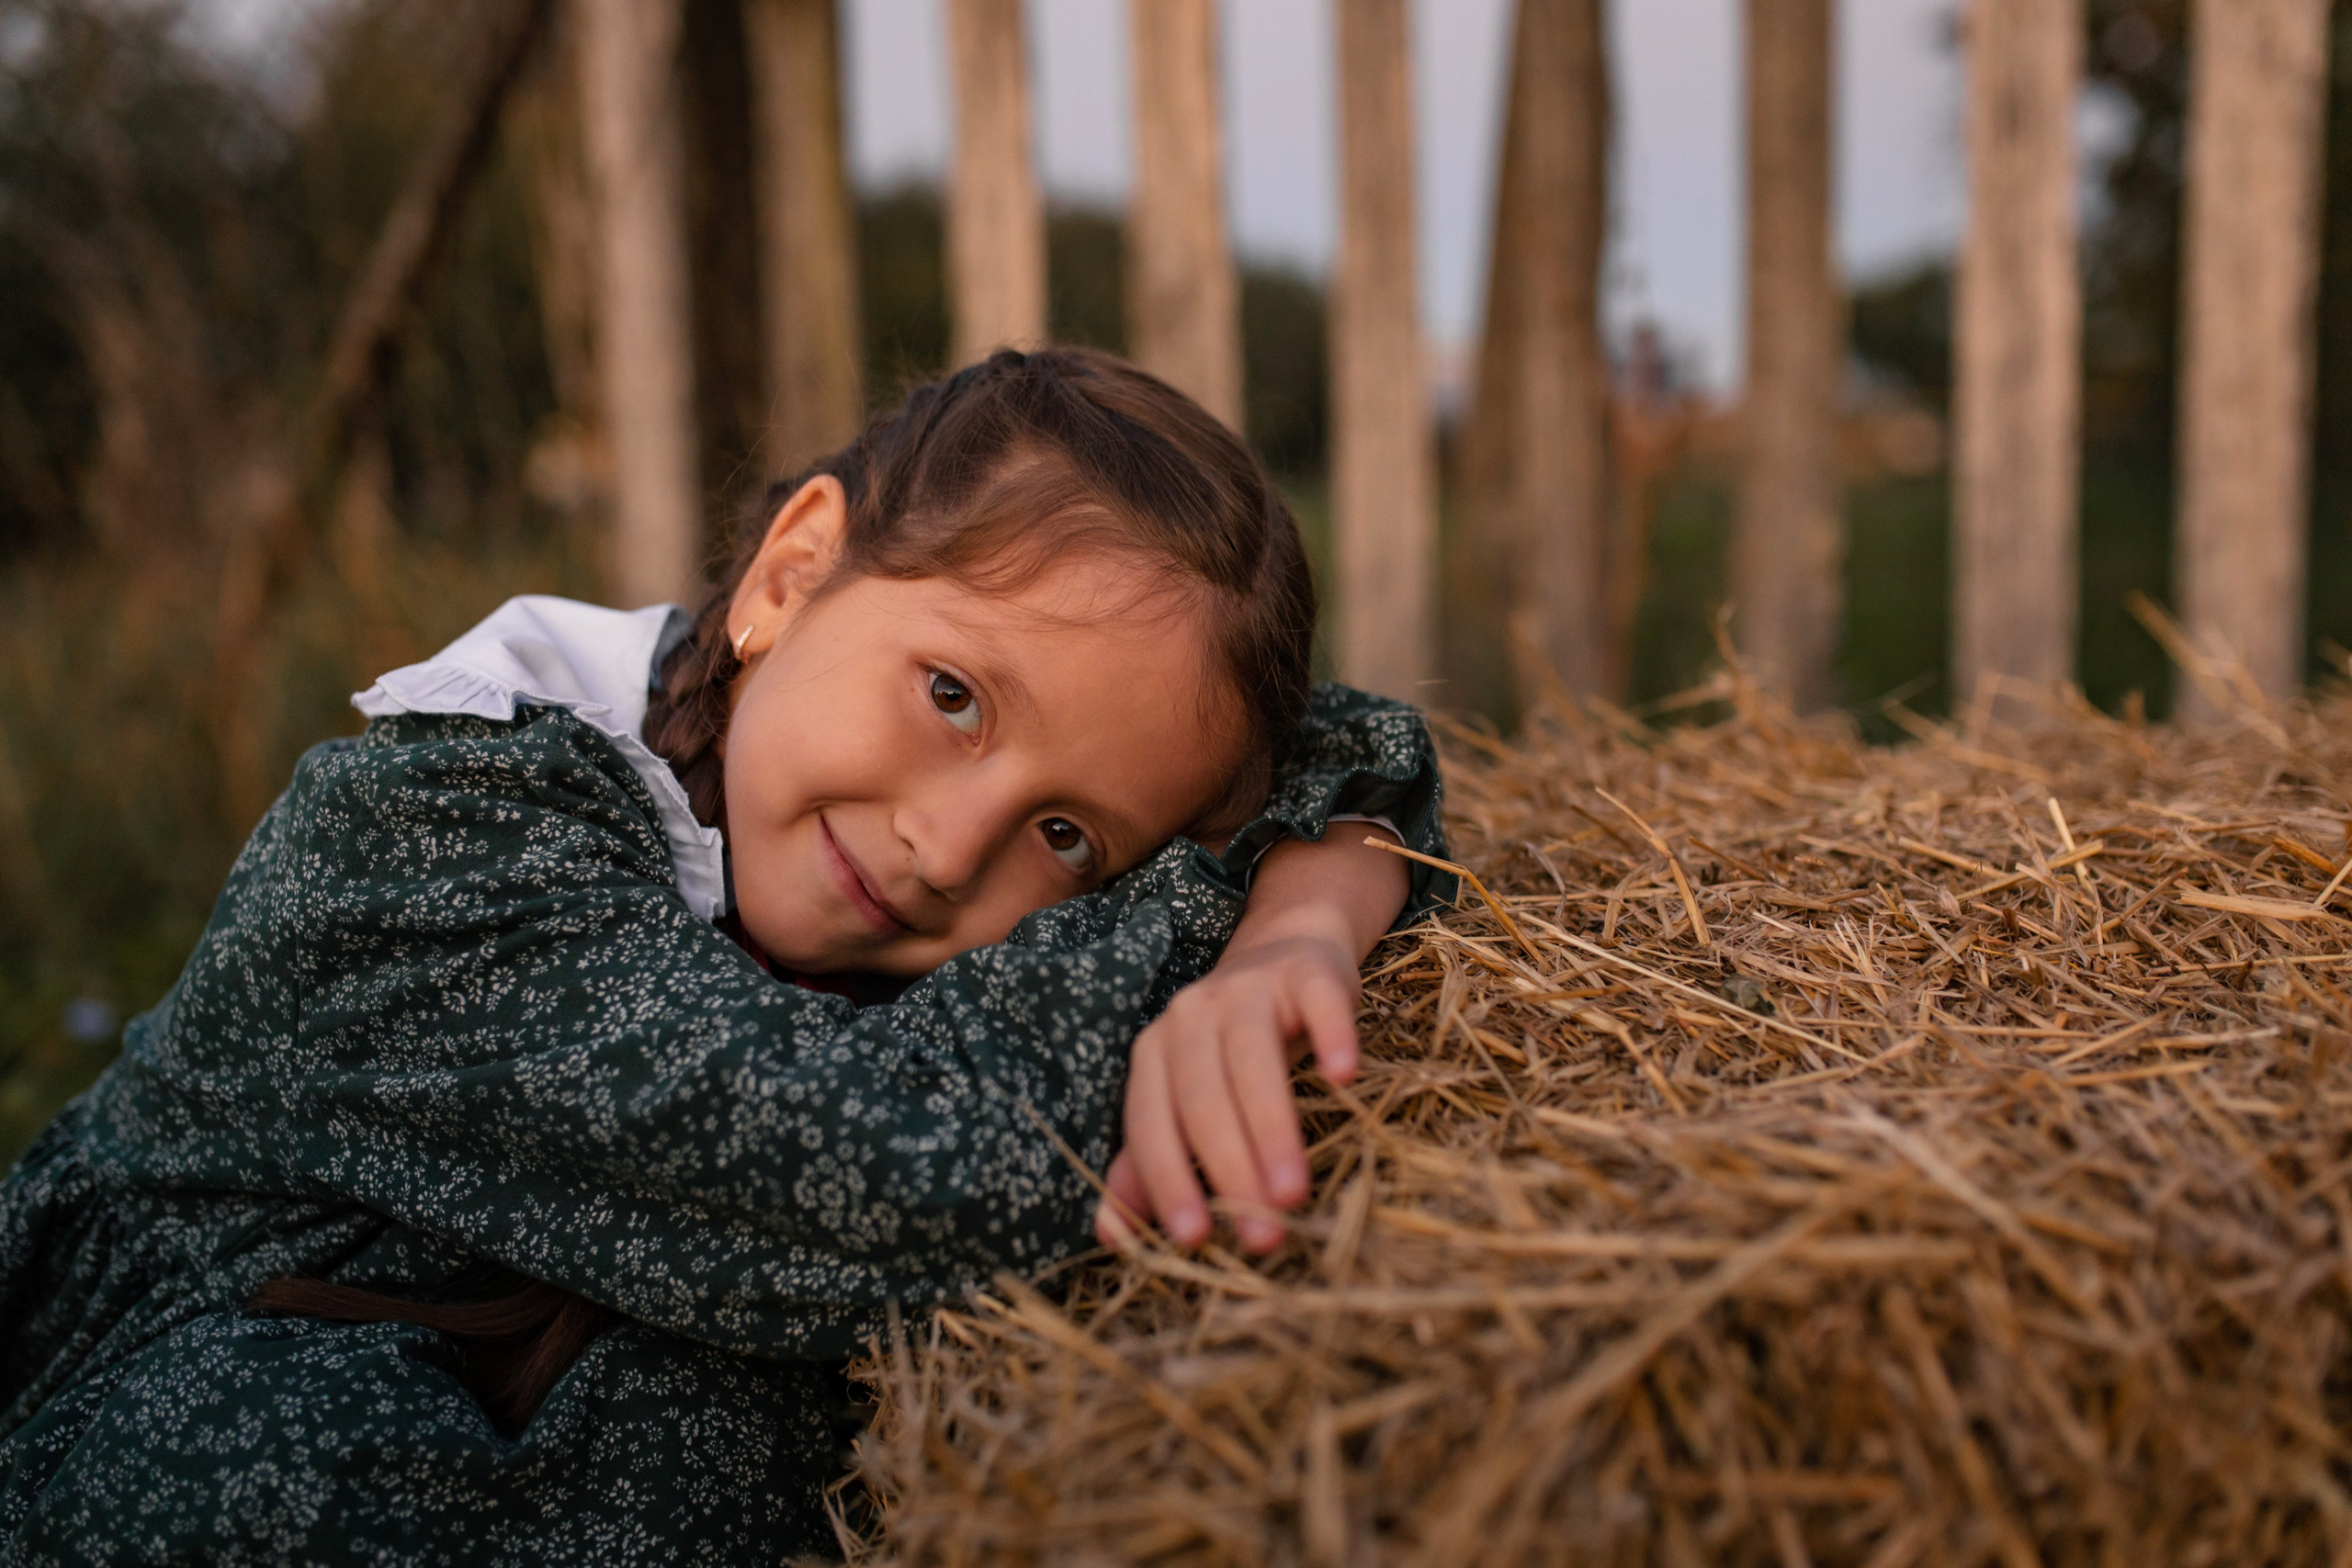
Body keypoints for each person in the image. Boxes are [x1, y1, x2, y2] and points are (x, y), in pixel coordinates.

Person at [0, 349, 1447, 1563]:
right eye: (953, 695)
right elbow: (921, 1176)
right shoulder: (434, 836)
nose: (949, 850)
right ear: (791, 578)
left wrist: (1304, 923)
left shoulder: (830, 897)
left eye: (1067, 838)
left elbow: (1333, 743)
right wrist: (1238, 899)